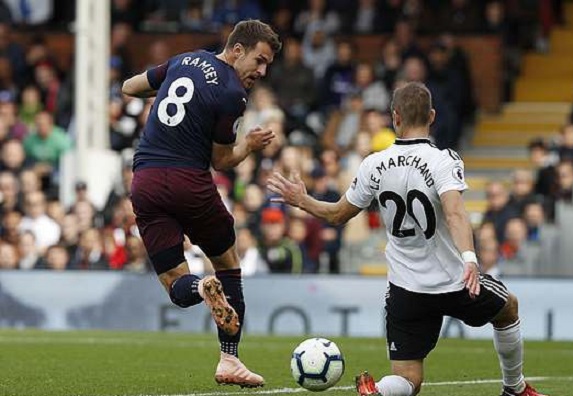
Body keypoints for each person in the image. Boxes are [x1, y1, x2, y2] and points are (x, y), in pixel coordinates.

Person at [268, 82, 547, 396]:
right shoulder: (443, 160)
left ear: (394, 117)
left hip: (406, 289)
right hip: (453, 281)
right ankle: (515, 388)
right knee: (508, 308)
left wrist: (302, 200)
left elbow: (337, 215)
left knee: (408, 380)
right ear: (432, 116)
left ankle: (379, 392)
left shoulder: (373, 164)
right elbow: (455, 212)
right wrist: (470, 257)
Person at [121, 20, 281, 388]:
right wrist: (251, 147)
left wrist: (164, 91)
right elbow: (222, 161)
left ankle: (199, 288)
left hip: (144, 181)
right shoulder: (231, 93)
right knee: (228, 264)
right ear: (237, 50)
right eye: (259, 61)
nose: (261, 71)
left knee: (176, 285)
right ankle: (230, 359)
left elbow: (129, 87)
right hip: (188, 182)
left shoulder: (183, 61)